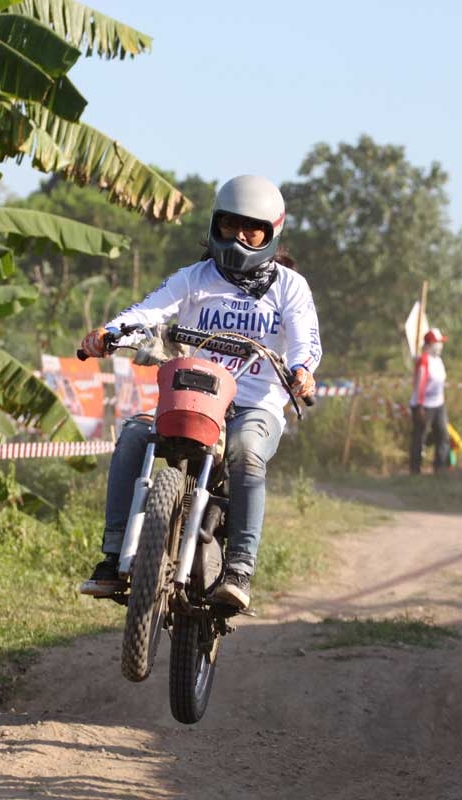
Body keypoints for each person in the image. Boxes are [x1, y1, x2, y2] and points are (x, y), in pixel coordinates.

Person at [76, 175, 322, 610]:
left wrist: (302, 370)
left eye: (253, 229)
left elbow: (304, 340)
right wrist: (109, 333)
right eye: (231, 224)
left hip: (253, 404)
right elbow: (149, 312)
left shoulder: (289, 286)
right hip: (193, 396)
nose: (240, 237)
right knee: (135, 434)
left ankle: (239, 568)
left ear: (272, 232)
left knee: (246, 452)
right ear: (215, 224)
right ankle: (114, 556)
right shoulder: (193, 279)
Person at [410, 327, 450, 474]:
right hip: (423, 405)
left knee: (443, 435)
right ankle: (415, 469)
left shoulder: (438, 361)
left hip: (438, 404)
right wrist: (420, 406)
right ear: (431, 344)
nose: (441, 345)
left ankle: (439, 468)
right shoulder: (424, 361)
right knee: (420, 437)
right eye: (438, 342)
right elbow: (420, 384)